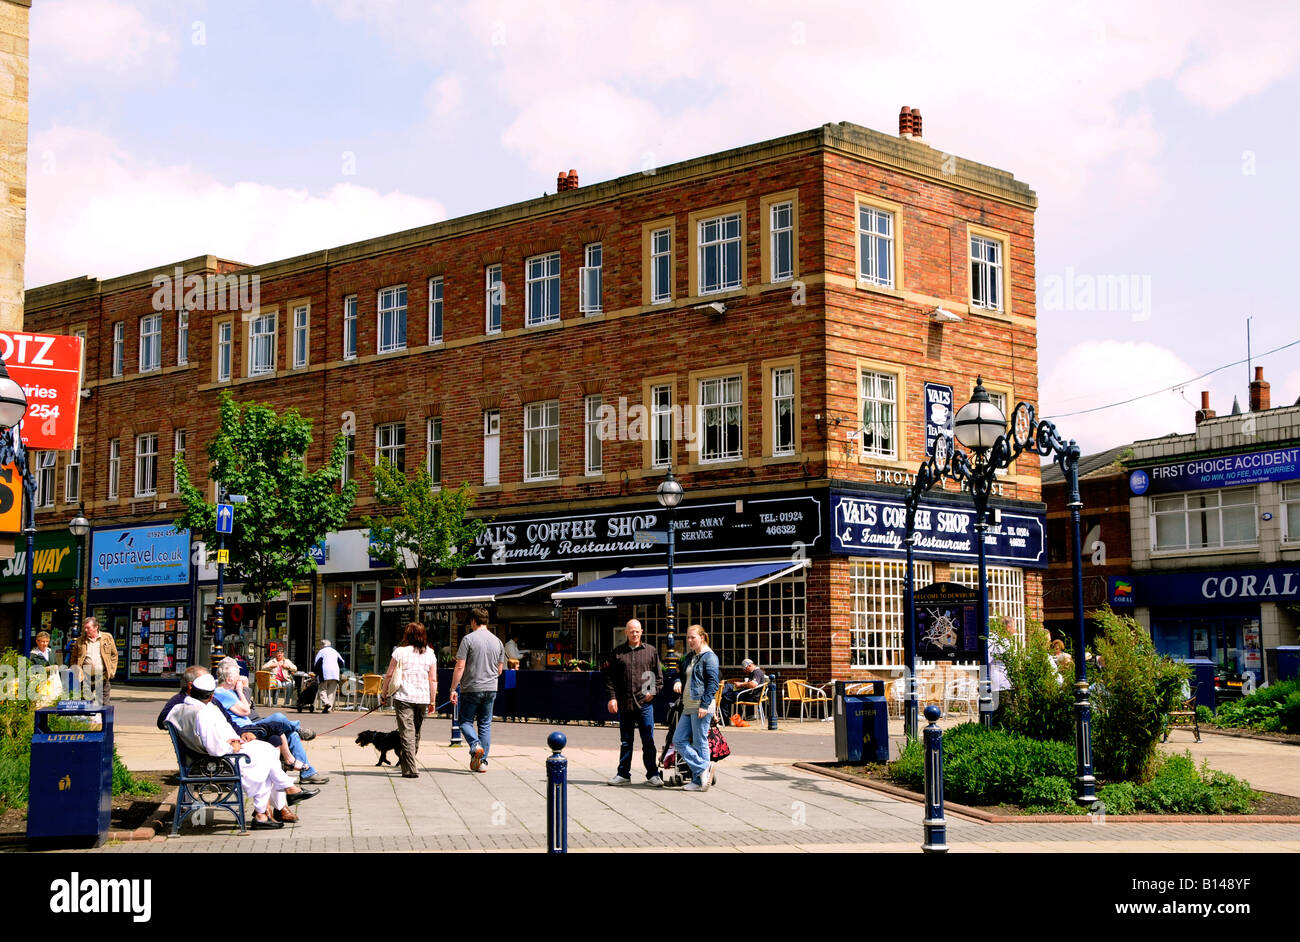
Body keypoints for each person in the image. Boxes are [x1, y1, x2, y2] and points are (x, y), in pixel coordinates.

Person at [166, 673, 317, 828]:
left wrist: (236, 738)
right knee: (266, 757)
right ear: (211, 696)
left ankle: (272, 804)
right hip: (220, 759)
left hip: (215, 753)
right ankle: (272, 805)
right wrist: (232, 745)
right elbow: (214, 748)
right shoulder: (203, 712)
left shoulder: (180, 708)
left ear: (192, 690)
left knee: (268, 750)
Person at [212, 658, 329, 784]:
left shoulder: (230, 691)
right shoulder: (224, 693)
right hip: (246, 728)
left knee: (292, 735)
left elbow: (251, 709)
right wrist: (243, 689)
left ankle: (308, 773)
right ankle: (296, 728)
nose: (240, 678)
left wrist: (241, 690)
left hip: (252, 723)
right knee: (278, 717)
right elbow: (246, 711)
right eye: (237, 675)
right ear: (229, 679)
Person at [604, 619, 664, 787]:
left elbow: (658, 677)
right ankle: (623, 774)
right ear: (626, 633)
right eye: (631, 631)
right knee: (626, 741)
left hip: (644, 704)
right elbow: (610, 678)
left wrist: (652, 693)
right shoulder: (618, 653)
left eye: (637, 631)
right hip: (624, 704)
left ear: (642, 632)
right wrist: (612, 697)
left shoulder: (650, 651)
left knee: (648, 740)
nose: (634, 634)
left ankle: (652, 774)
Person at [449, 607, 504, 772]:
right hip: (491, 688)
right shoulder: (498, 641)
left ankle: (475, 745)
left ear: (473, 621)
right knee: (485, 724)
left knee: (465, 721)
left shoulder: (468, 639)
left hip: (472, 687)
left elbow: (460, 666)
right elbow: (500, 670)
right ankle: (482, 762)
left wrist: (453, 688)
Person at [382, 622, 439, 778]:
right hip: (422, 698)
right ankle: (410, 764)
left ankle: (410, 768)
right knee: (415, 732)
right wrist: (432, 701)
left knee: (407, 732)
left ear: (407, 635)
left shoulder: (400, 652)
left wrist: (384, 693)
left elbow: (389, 674)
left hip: (404, 697)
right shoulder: (430, 654)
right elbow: (433, 679)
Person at [671, 624, 720, 792]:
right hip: (688, 704)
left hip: (701, 705)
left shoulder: (709, 657)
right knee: (678, 739)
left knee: (700, 743)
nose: (690, 641)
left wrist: (705, 705)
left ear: (702, 637)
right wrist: (677, 681)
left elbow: (713, 684)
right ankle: (703, 769)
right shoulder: (690, 656)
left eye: (693, 637)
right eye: (688, 638)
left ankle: (698, 780)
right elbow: (679, 672)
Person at [70, 617, 118, 704]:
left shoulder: (107, 637)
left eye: (88, 627)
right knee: (86, 704)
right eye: (85, 628)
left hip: (102, 676)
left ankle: (104, 718)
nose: (85, 630)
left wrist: (111, 671)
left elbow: (114, 655)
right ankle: (88, 717)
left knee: (104, 704)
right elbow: (73, 658)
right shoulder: (81, 640)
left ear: (96, 627)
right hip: (86, 677)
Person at [721, 658, 767, 726]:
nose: (745, 671)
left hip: (752, 697)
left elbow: (753, 684)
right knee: (729, 694)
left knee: (726, 695)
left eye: (745, 669)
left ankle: (725, 720)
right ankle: (735, 719)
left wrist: (741, 684)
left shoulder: (757, 672)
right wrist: (742, 685)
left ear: (750, 665)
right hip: (750, 695)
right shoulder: (755, 672)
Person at [313, 638, 346, 713]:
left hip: (325, 673)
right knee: (331, 692)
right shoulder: (335, 651)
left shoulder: (321, 652)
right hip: (335, 673)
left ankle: (326, 703)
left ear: (322, 645)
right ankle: (328, 709)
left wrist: (316, 673)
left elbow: (317, 663)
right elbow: (342, 662)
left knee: (322, 689)